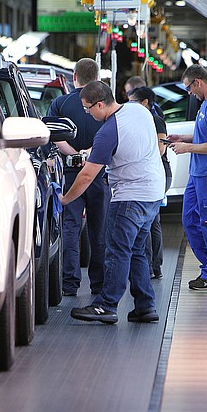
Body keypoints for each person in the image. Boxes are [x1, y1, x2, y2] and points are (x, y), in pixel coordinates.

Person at [61, 81, 165, 324]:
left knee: (117, 251)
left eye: (88, 109)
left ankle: (106, 305)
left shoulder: (108, 132)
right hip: (153, 192)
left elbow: (86, 175)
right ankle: (145, 306)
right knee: (137, 250)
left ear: (100, 104)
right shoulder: (138, 109)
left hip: (130, 196)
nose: (87, 113)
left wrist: (66, 199)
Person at [167, 64, 207, 291]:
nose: (189, 93)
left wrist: (187, 148)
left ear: (198, 82)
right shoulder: (205, 104)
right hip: (197, 175)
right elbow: (204, 134)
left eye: (188, 88)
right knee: (190, 221)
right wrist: (183, 137)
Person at [47, 58, 110, 297]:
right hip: (100, 173)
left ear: (75, 76)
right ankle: (99, 284)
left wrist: (75, 155)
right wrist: (91, 155)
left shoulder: (60, 103)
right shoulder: (104, 105)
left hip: (70, 175)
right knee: (99, 229)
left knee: (71, 228)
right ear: (97, 77)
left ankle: (70, 284)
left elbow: (53, 134)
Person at [128, 86, 172, 279]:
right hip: (148, 173)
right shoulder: (139, 120)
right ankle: (150, 265)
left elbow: (160, 150)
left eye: (133, 101)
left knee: (151, 220)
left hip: (159, 173)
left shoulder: (156, 120)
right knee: (150, 220)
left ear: (144, 102)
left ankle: (152, 265)